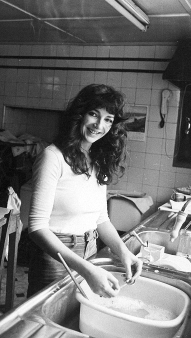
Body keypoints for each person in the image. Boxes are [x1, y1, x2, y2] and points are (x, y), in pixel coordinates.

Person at [27, 84, 143, 298]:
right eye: (94, 114)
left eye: (108, 119)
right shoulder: (53, 157)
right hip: (56, 257)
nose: (99, 125)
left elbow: (101, 219)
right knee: (48, 328)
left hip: (90, 248)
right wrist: (87, 269)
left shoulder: (99, 159)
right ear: (80, 114)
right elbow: (36, 227)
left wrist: (124, 252)